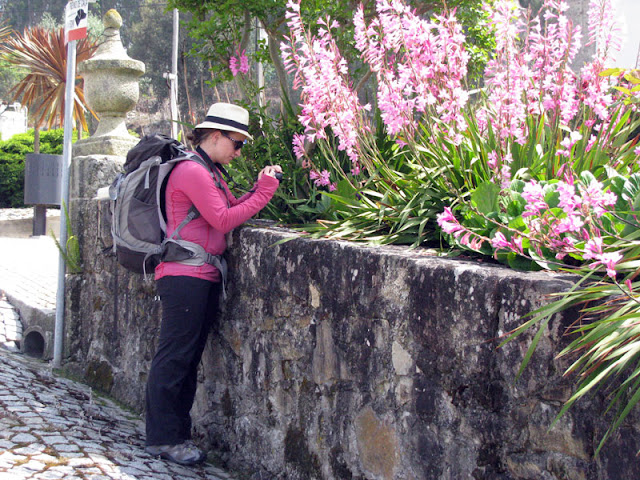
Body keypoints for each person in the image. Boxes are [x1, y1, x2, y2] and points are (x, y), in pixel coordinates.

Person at [144, 103, 281, 465]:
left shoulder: (211, 170)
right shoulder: (192, 171)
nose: (239, 152)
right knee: (174, 358)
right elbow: (222, 220)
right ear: (216, 135)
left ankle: (176, 436)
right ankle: (162, 438)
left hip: (201, 276)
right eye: (237, 144)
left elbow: (234, 209)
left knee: (186, 360)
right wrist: (265, 192)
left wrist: (260, 187)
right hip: (184, 278)